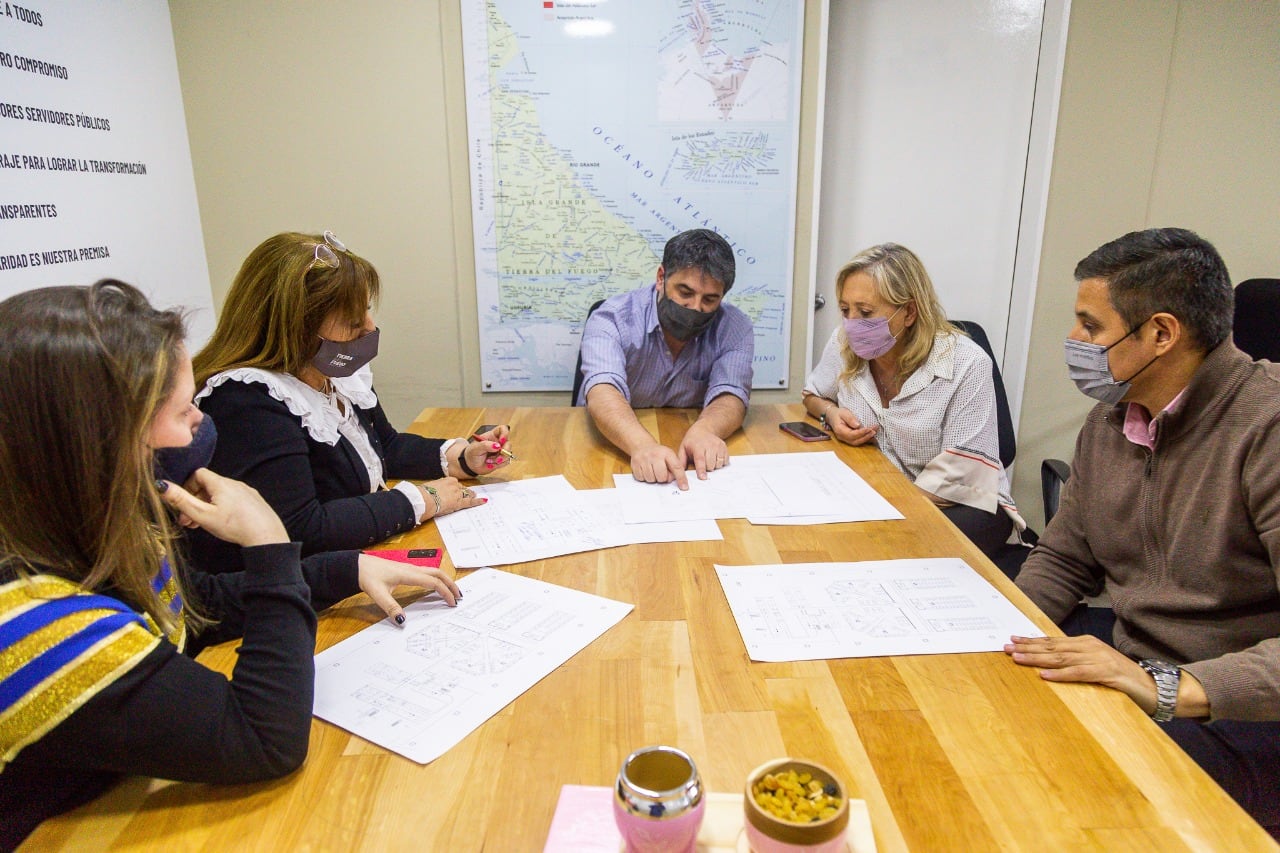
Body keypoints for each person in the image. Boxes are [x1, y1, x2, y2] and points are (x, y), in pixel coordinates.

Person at [0, 281, 462, 847]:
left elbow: (194, 606)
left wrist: (340, 570)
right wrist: (268, 545)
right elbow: (263, 740)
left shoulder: (86, 527)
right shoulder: (30, 619)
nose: (200, 421)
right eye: (180, 409)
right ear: (99, 443)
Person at [1007, 228, 1280, 833]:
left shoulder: (1267, 427)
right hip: (1133, 659)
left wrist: (1164, 686)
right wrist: (1003, 638)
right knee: (992, 717)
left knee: (1079, 801)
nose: (1074, 341)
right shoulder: (1110, 421)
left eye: (1091, 326)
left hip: (1239, 704)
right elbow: (1064, 558)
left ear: (1161, 333)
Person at [191, 231, 511, 559]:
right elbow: (299, 527)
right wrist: (421, 500)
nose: (370, 328)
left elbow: (385, 446)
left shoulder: (335, 373)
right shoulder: (246, 400)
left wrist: (461, 458)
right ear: (296, 326)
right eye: (353, 321)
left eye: (367, 312)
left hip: (357, 558)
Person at [801, 243, 1025, 558]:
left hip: (959, 504)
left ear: (909, 312)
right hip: (883, 491)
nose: (852, 324)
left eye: (865, 312)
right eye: (845, 310)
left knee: (876, 549)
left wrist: (879, 509)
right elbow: (812, 395)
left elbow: (958, 478)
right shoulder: (844, 341)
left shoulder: (965, 363)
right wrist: (832, 414)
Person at [576, 228, 754, 488]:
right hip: (617, 448)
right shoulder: (611, 318)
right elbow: (603, 390)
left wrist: (707, 430)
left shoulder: (735, 327)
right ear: (661, 278)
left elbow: (731, 394)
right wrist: (642, 446)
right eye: (685, 292)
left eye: (709, 299)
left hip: (689, 453)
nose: (695, 307)